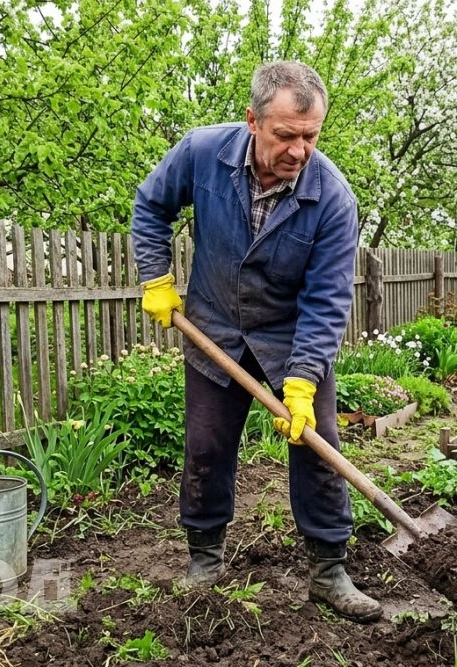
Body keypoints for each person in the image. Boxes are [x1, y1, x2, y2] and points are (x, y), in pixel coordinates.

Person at [130, 61, 380, 623]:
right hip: (213, 324)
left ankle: (328, 571)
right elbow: (150, 207)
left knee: (318, 448)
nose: (298, 150)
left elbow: (328, 298)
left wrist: (302, 380)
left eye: (310, 137)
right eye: (286, 135)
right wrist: (156, 278)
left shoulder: (332, 198)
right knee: (208, 446)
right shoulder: (202, 154)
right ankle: (205, 560)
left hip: (290, 336)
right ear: (252, 121)